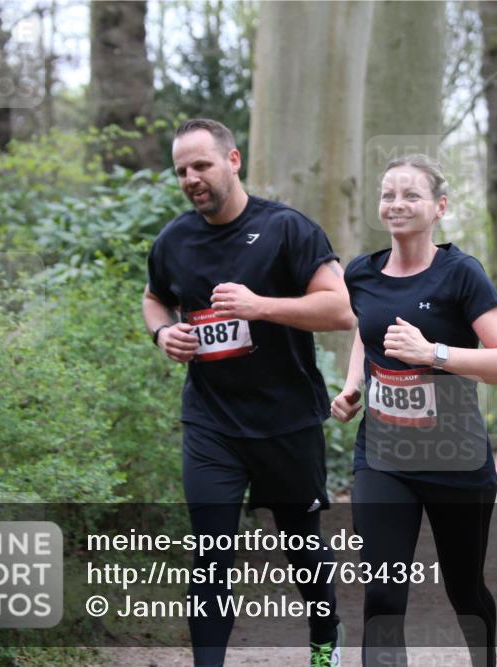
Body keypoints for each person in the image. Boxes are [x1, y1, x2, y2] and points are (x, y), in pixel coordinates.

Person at [142, 118, 355, 667]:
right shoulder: (174, 241)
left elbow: (339, 310)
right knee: (211, 554)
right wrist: (164, 333)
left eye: (202, 165)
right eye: (182, 170)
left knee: (301, 547)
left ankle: (324, 641)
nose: (191, 178)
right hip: (212, 422)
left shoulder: (288, 229)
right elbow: (153, 299)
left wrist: (261, 306)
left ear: (233, 161)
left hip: (285, 422)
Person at [330, 154, 497, 667]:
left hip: (455, 461)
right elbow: (365, 330)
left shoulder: (461, 275)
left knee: (465, 592)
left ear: (439, 207)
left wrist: (433, 353)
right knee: (383, 594)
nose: (397, 203)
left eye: (410, 194)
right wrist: (353, 386)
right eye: (388, 194)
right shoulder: (362, 274)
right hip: (383, 458)